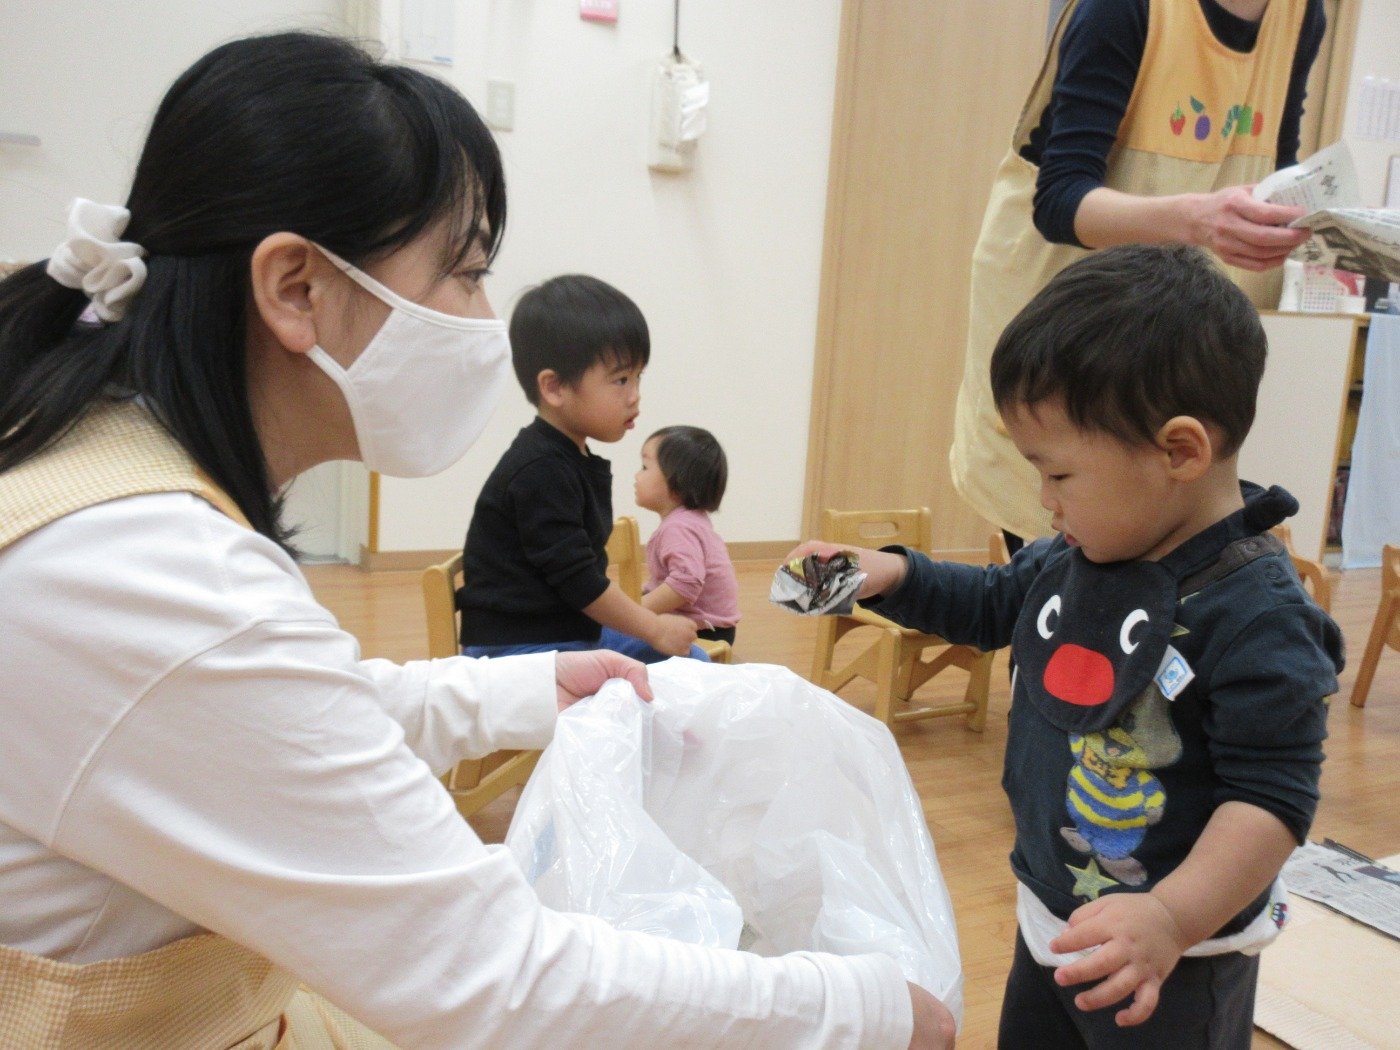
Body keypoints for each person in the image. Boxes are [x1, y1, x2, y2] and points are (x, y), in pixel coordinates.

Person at [0, 33, 957, 1049]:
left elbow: (269, 713)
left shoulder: (112, 486)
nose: (483, 318)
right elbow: (489, 980)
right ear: (294, 288)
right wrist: (859, 1008)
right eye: (462, 273)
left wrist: (525, 690)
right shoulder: (159, 575)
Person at [792, 245, 1342, 1048]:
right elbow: (991, 604)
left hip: (1170, 956)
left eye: (1058, 475)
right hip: (1050, 910)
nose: (1044, 501)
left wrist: (1169, 917)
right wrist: (891, 574)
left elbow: (1270, 799)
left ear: (1179, 452)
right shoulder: (1076, 556)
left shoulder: (1259, 616)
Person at [950, 0, 1326, 551]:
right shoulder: (1122, 8)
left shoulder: (1301, 14)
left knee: (1167, 530)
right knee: (1063, 538)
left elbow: (1277, 164)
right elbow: (1059, 199)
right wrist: (1199, 221)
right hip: (1073, 329)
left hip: (1172, 336)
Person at [457, 275, 709, 664]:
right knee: (668, 670)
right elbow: (580, 583)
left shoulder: (567, 457)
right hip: (519, 649)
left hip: (563, 632)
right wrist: (654, 627)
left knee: (690, 660)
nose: (635, 395)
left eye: (638, 377)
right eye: (621, 379)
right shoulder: (541, 470)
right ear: (554, 387)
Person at [634, 425, 741, 647]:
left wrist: (635, 612)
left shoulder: (678, 528)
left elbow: (685, 585)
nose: (637, 475)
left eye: (644, 467)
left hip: (702, 634)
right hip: (714, 629)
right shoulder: (689, 520)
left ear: (677, 481)